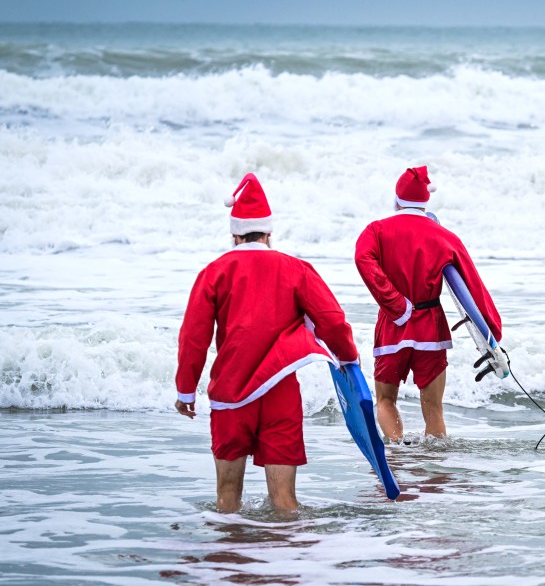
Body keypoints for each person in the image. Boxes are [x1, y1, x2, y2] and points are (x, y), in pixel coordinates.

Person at [175, 173, 359, 513]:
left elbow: (193, 337)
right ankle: (286, 562)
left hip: (231, 397)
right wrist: (349, 361)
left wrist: (186, 391)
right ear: (269, 233)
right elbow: (332, 320)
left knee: (227, 500)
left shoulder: (214, 272)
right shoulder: (296, 269)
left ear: (234, 234)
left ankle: (231, 559)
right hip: (280, 395)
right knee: (286, 503)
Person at [354, 166, 502, 442]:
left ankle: (398, 452)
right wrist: (492, 334)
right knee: (434, 409)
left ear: (397, 200)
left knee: (385, 400)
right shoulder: (443, 235)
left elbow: (363, 260)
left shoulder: (376, 230)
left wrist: (396, 304)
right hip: (431, 329)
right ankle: (434, 470)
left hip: (392, 327)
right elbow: (472, 285)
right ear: (425, 203)